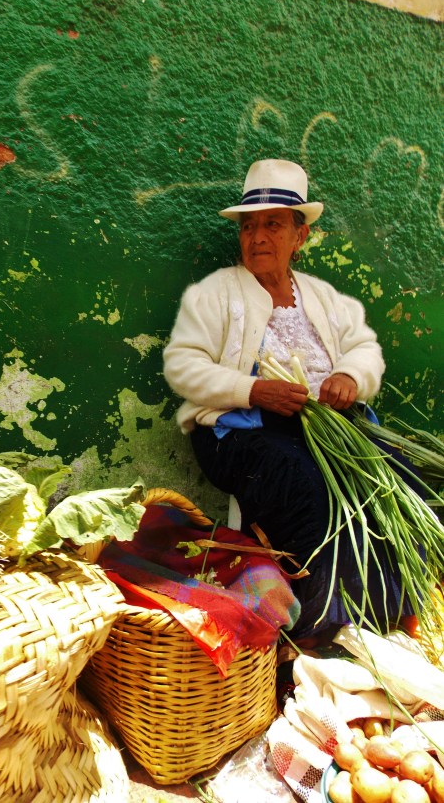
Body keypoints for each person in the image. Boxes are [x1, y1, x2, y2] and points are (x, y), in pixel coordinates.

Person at [163, 158, 413, 647]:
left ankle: (386, 619)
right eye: (249, 226)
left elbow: (365, 349)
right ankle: (315, 633)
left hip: (326, 427)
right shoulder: (215, 293)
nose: (257, 237)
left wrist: (348, 376)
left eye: (273, 225)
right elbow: (182, 366)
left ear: (300, 236)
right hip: (242, 433)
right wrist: (253, 390)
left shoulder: (322, 297)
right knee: (308, 490)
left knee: (398, 476)